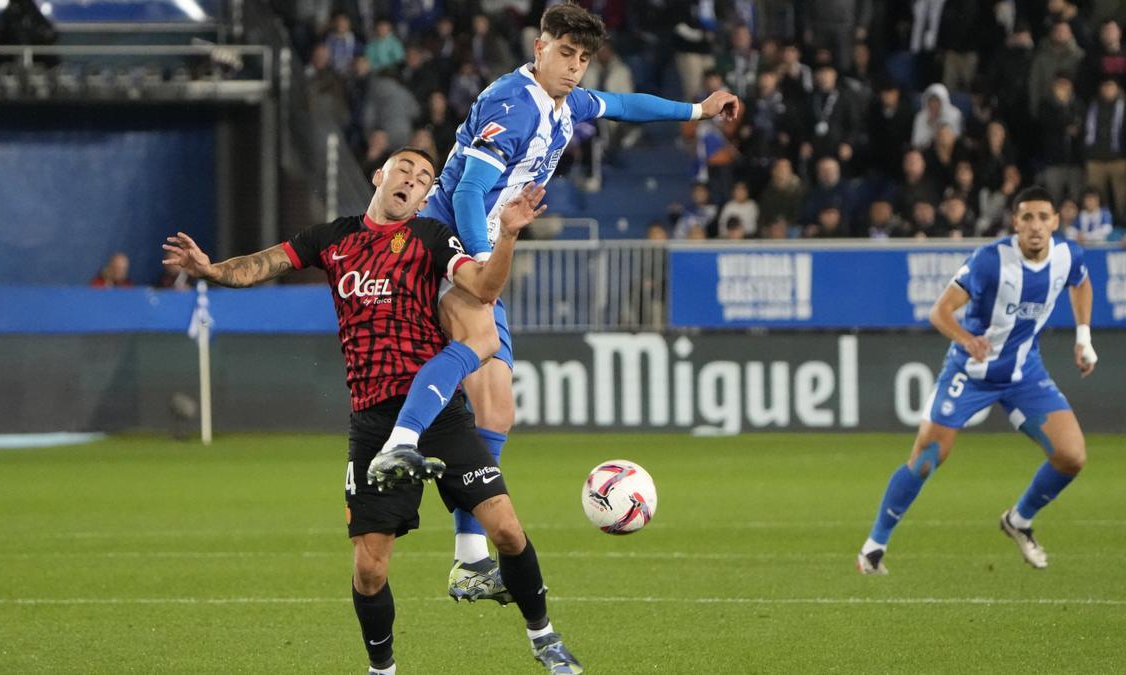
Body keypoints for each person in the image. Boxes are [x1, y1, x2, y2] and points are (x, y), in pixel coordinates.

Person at [160, 148, 584, 674]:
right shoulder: (331, 238)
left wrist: (510, 236)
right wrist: (210, 269)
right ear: (380, 176)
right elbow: (261, 266)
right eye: (404, 168)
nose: (413, 179)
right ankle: (382, 669)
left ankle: (544, 638)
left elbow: (485, 287)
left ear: (427, 197)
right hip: (372, 420)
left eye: (425, 177)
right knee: (369, 570)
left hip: (439, 415)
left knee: (508, 531)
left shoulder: (431, 239)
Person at [377, 2, 741, 603]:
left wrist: (698, 109)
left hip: (475, 251)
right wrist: (476, 267)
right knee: (481, 347)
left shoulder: (566, 102)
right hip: (444, 244)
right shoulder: (512, 103)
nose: (574, 68)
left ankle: (468, 559)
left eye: (584, 58)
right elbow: (468, 192)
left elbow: (624, 105)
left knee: (494, 413)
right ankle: (401, 441)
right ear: (539, 46)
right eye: (565, 53)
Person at [857, 185, 1100, 575]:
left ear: (1056, 221)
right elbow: (940, 312)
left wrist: (1083, 337)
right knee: (927, 458)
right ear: (1015, 223)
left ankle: (1018, 520)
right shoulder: (991, 261)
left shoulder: (1068, 255)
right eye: (1027, 218)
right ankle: (873, 547)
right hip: (970, 373)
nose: (1035, 226)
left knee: (1072, 456)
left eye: (1043, 217)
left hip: (1023, 373)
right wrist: (966, 339)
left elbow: (1081, 282)